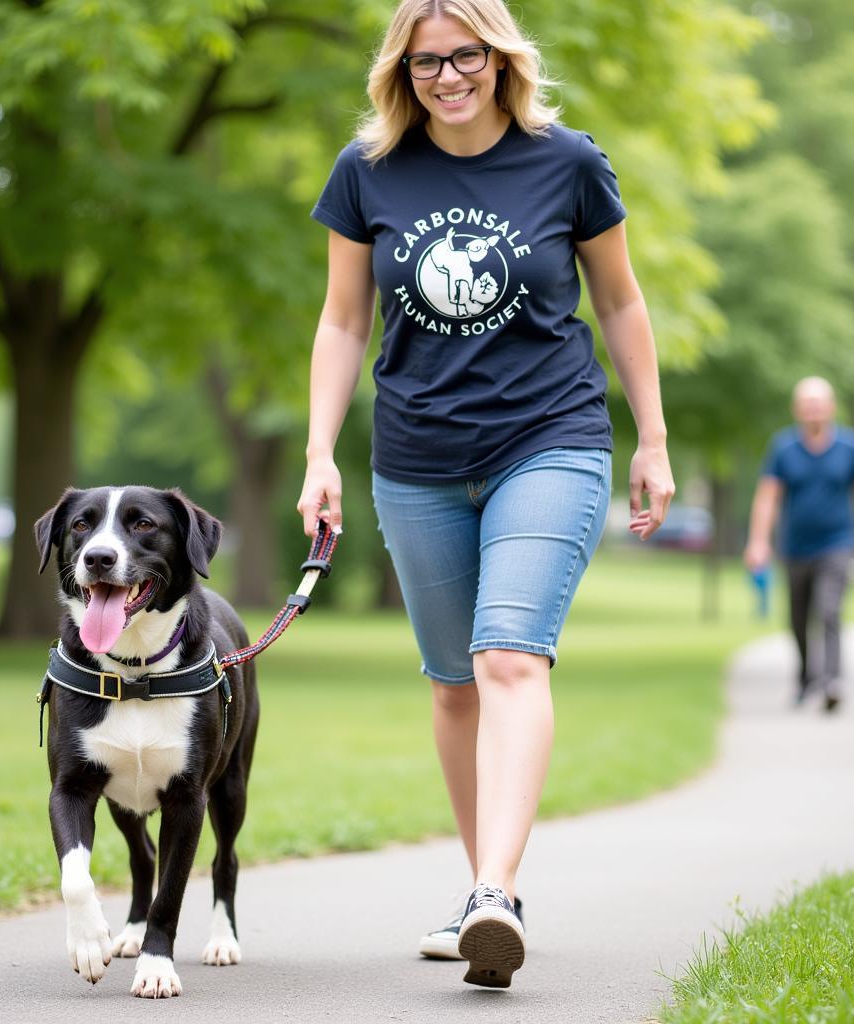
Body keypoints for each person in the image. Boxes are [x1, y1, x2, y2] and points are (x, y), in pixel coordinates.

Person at [296, 0, 674, 989]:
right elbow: (342, 321)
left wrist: (654, 437)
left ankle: (494, 892)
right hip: (415, 456)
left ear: (500, 58)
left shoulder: (568, 162)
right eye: (425, 62)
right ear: (400, 70)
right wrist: (318, 452)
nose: (447, 75)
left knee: (508, 654)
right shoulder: (367, 171)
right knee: (453, 681)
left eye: (465, 55)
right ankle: (480, 891)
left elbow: (621, 299)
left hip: (547, 440)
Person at [745, 376, 854, 712]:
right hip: (795, 548)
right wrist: (758, 541)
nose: (814, 409)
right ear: (797, 410)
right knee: (797, 619)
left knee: (830, 609)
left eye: (819, 403)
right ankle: (807, 677)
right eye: (807, 404)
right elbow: (768, 497)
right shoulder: (783, 448)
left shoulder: (852, 447)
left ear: (831, 408)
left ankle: (832, 680)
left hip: (837, 543)